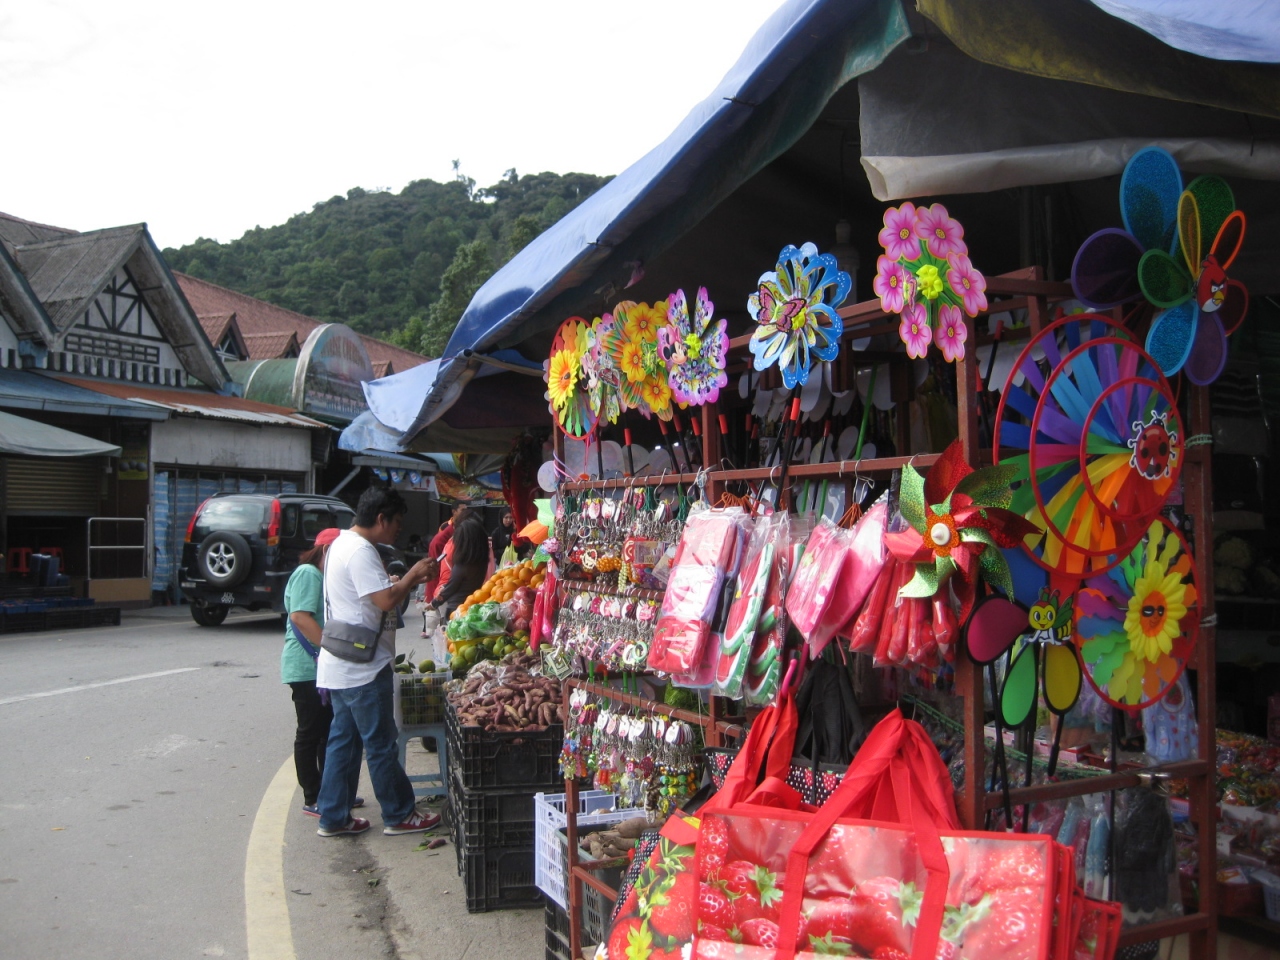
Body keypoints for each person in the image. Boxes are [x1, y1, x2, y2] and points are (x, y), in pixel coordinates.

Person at [314, 487, 439, 838]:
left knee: (344, 743)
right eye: (396, 521)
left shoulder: (342, 543)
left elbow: (370, 596)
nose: (399, 529)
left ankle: (333, 816)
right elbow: (384, 601)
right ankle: (399, 814)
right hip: (363, 667)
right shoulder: (360, 550)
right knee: (381, 743)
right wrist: (412, 576)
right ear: (381, 518)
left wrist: (399, 583)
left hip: (340, 664)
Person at [280, 528, 366, 817]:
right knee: (310, 733)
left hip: (318, 665)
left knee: (328, 732)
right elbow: (300, 616)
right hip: (307, 666)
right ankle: (313, 796)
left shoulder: (322, 576)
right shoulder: (308, 573)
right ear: (327, 551)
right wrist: (330, 649)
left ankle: (332, 792)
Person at [430, 515, 490, 619]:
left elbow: (450, 588)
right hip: (472, 606)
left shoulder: (462, 566)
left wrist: (433, 604)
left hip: (457, 610)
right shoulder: (481, 562)